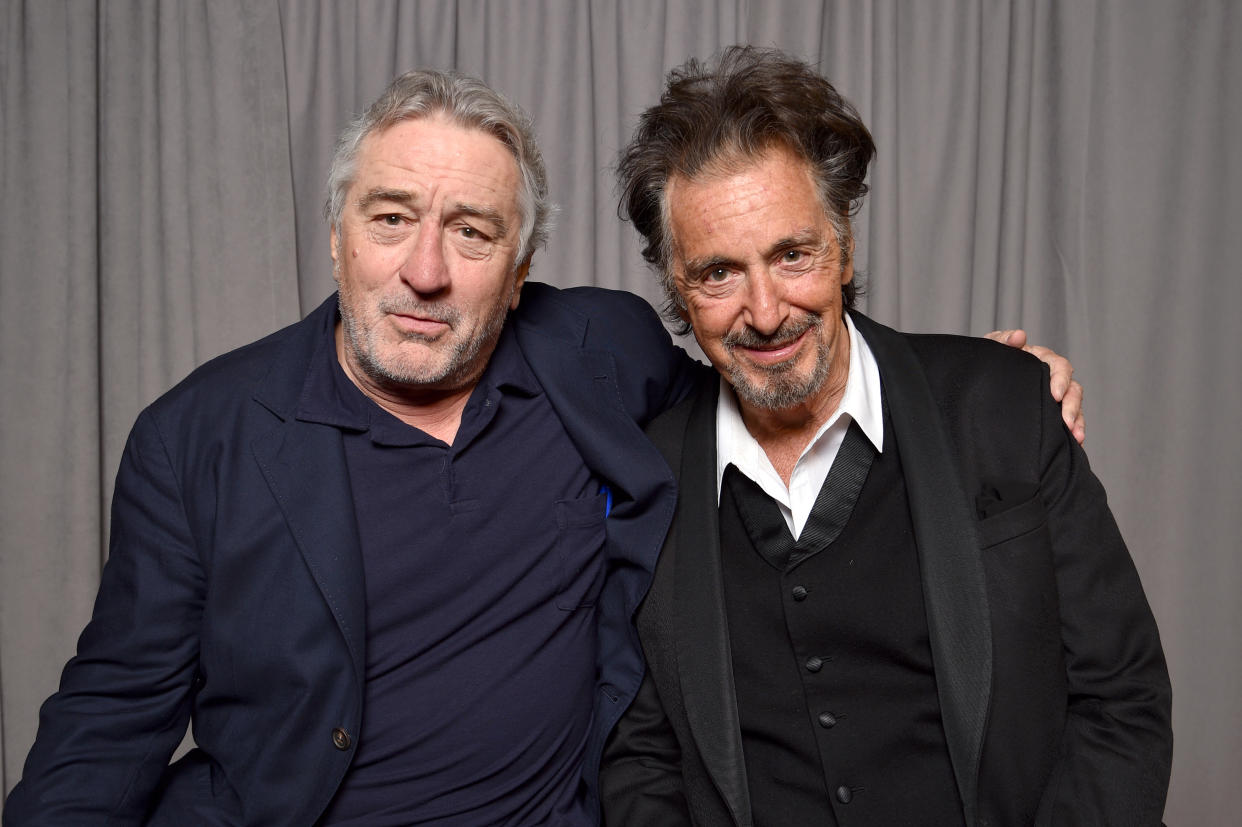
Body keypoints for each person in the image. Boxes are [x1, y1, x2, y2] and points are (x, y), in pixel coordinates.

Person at [5, 68, 1080, 826]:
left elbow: (766, 357)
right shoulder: (199, 438)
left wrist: (953, 387)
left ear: (518, 271)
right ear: (335, 237)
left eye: (471, 231)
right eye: (389, 219)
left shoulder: (596, 353)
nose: (424, 269)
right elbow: (111, 712)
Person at [600, 46, 1171, 827]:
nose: (765, 312)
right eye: (719, 274)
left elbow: (1122, 698)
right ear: (677, 286)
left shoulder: (1001, 404)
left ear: (844, 249)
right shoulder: (649, 473)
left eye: (792, 255)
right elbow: (642, 756)